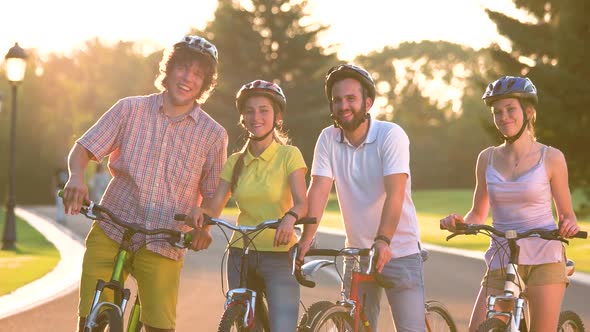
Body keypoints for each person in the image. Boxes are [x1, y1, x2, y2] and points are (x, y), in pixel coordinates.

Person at [61, 35, 228, 332]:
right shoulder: (130, 109)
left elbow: (214, 194)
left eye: (198, 74)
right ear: (169, 68)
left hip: (165, 239)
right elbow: (84, 148)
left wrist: (204, 225)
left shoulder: (213, 134)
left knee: (159, 326)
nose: (188, 78)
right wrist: (76, 176)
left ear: (205, 84)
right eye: (182, 67)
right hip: (113, 226)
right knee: (90, 319)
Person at [439, 76, 580, 332]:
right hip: (502, 256)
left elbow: (567, 214)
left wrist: (568, 224)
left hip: (544, 256)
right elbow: (479, 212)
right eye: (497, 112)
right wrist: (460, 223)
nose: (503, 117)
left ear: (528, 112)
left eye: (510, 109)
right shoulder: (487, 158)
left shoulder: (551, 157)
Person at [298, 64, 425, 331]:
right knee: (355, 326)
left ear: (367, 102)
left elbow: (395, 194)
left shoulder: (390, 135)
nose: (343, 105)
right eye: (337, 100)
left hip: (398, 251)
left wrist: (383, 240)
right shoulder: (328, 138)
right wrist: (306, 238)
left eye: (351, 99)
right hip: (357, 254)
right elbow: (319, 190)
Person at [191, 80, 307, 331]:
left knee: (283, 328)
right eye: (250, 111)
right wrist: (202, 214)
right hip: (240, 254)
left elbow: (302, 202)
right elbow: (215, 206)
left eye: (264, 110)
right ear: (243, 118)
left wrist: (290, 217)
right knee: (246, 325)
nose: (256, 116)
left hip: (279, 255)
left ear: (277, 117)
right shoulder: (235, 161)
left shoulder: (290, 155)